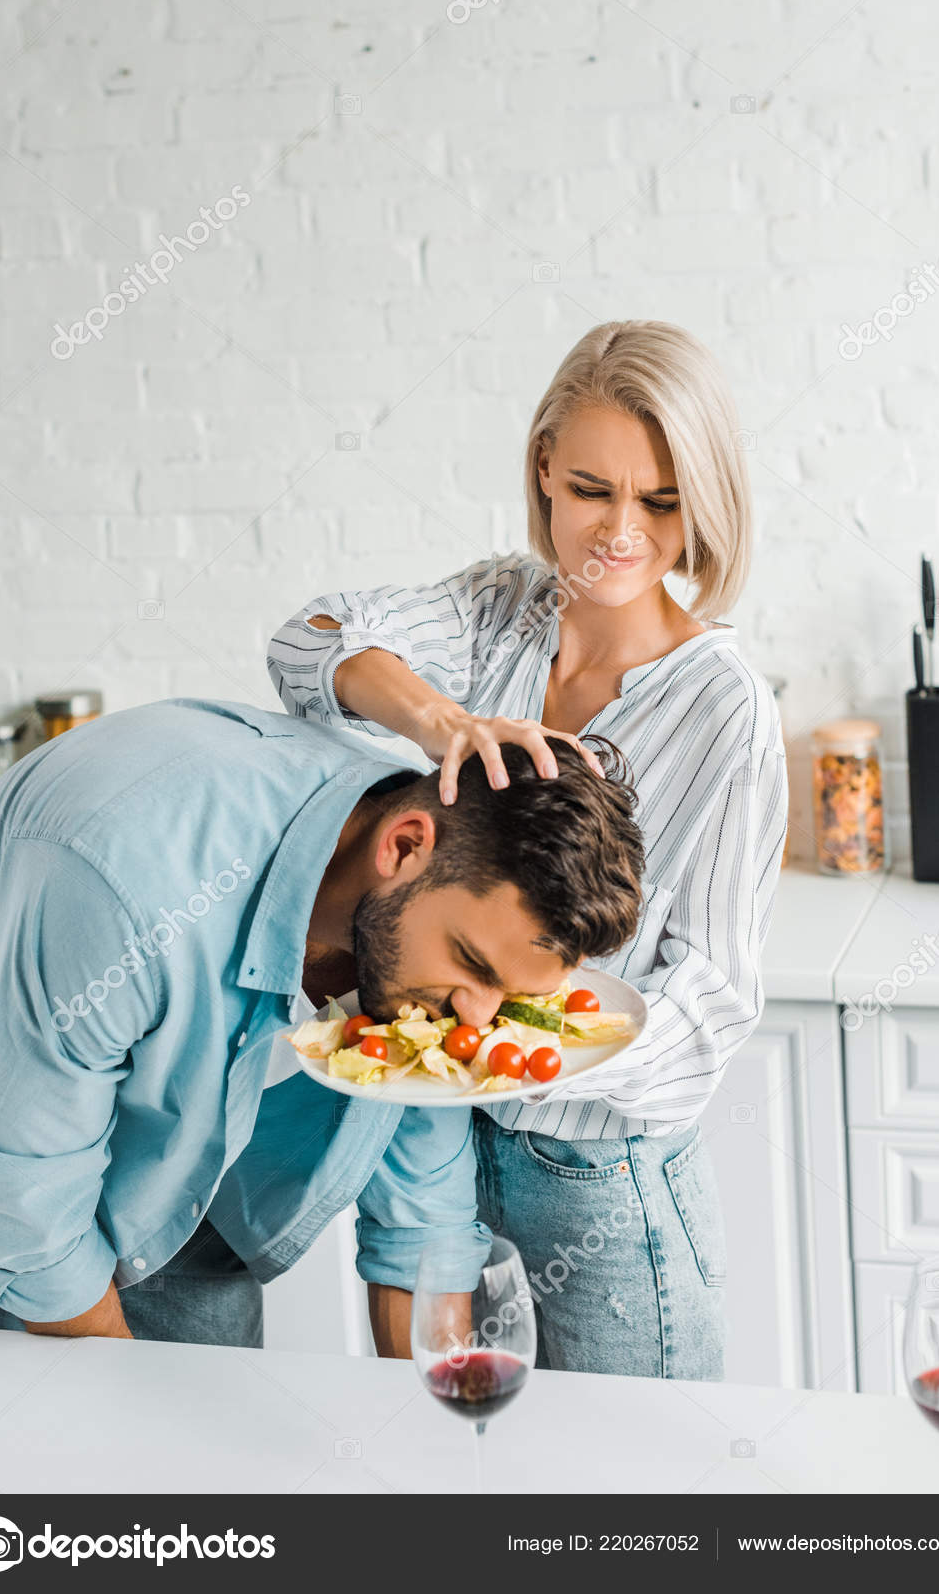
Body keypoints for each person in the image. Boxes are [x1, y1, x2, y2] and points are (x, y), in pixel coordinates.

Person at [268, 319, 790, 1379]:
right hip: (443, 1152)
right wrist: (437, 723)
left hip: (597, 1172)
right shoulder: (498, 611)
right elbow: (306, 640)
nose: (618, 532)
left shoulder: (724, 706)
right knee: (472, 1473)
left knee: (637, 1503)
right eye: (593, 487)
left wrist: (521, 1037)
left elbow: (714, 1004)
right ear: (545, 461)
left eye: (660, 501)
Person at [0, 695, 643, 1349]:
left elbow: (423, 1222)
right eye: (472, 965)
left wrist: (440, 1442)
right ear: (402, 846)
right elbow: (26, 1198)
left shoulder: (428, 892)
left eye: (507, 996)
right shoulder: (132, 884)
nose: (476, 1023)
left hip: (175, 1188)